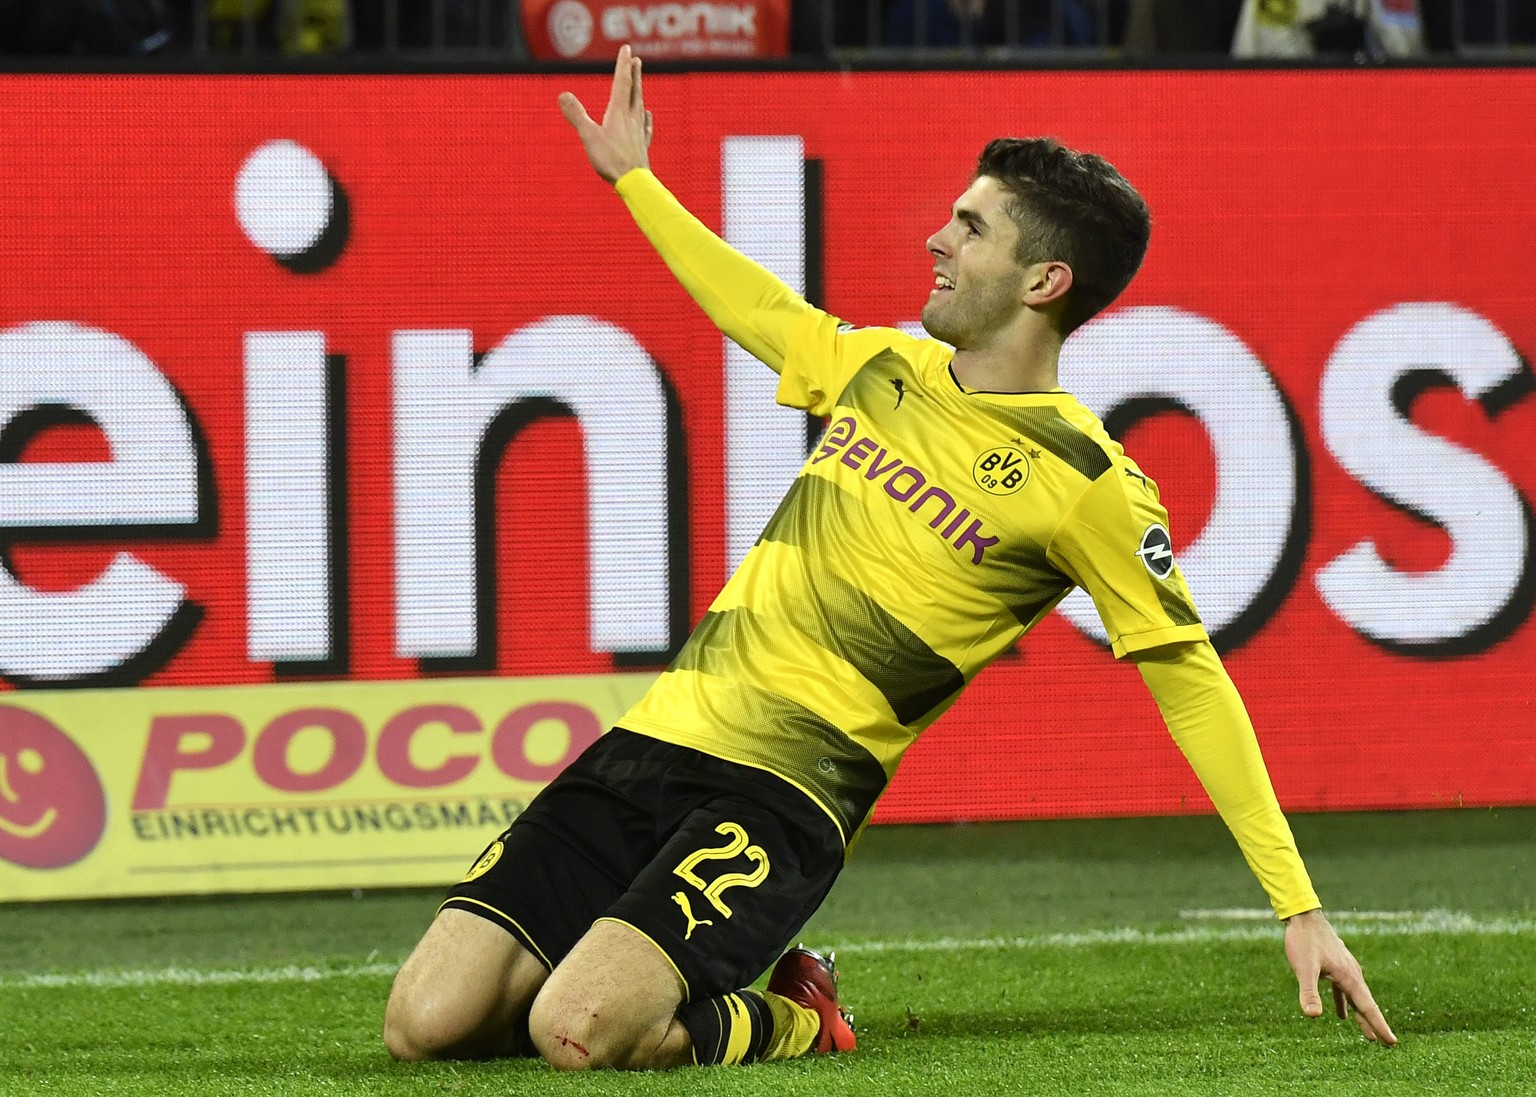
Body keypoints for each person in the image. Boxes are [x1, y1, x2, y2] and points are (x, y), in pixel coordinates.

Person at [383, 44, 1398, 1071]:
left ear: (1045, 279)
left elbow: (1192, 682)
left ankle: (794, 1016)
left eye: (971, 226)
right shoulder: (886, 368)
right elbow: (759, 311)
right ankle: (631, 975)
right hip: (653, 740)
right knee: (424, 1023)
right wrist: (636, 181)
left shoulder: (1087, 480)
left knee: (577, 1032)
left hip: (784, 794)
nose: (937, 238)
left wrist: (1297, 903)